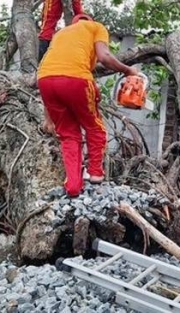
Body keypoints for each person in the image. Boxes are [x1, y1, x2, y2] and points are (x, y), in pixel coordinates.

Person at [37, 14, 139, 197]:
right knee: (95, 128)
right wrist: (128, 70)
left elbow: (53, 74)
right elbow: (105, 57)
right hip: (76, 80)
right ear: (89, 21)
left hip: (45, 81)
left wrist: (48, 119)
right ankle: (95, 176)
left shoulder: (60, 34)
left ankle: (73, 186)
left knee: (68, 135)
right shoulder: (95, 27)